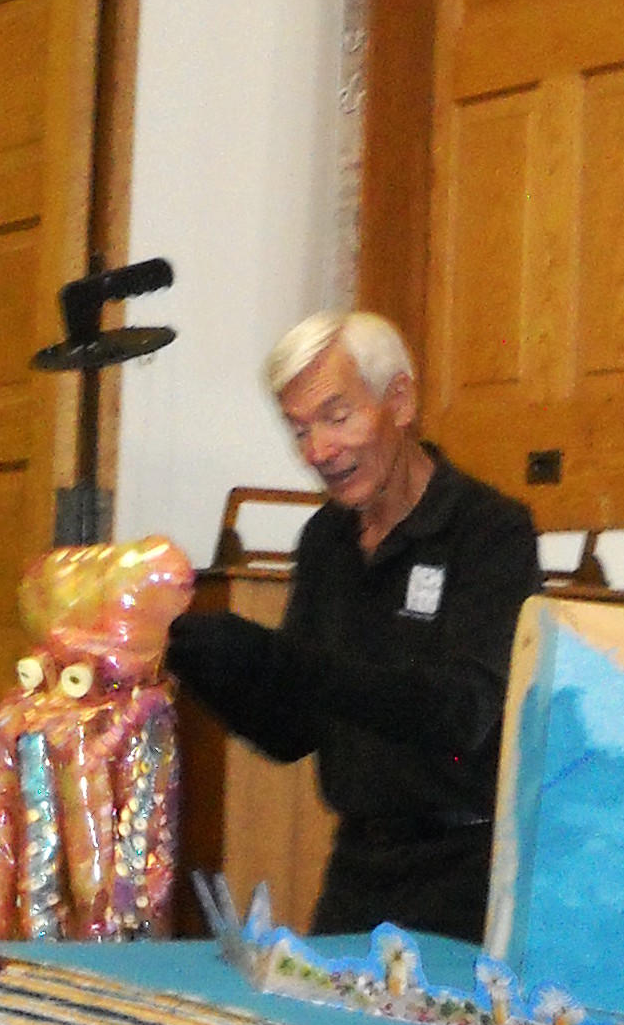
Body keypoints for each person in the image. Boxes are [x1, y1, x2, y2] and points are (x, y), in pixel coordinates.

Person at [164, 311, 539, 943]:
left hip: (468, 878)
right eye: (299, 430)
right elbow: (292, 731)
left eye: (336, 417)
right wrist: (202, 662)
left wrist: (277, 659)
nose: (318, 451)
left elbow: (460, 713)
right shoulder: (326, 539)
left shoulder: (489, 531)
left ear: (400, 401)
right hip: (357, 872)